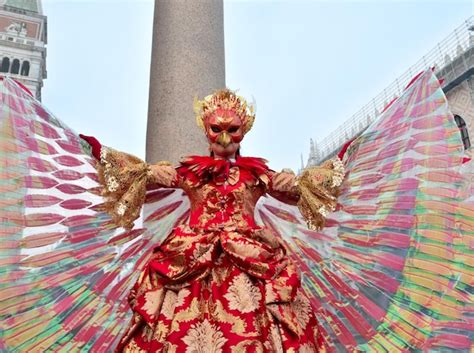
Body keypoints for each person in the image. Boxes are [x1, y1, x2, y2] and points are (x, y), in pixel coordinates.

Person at [0, 70, 471, 352]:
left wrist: (300, 181)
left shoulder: (256, 176)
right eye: (216, 129)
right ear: (205, 128)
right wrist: (135, 169)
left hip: (254, 262)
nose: (224, 139)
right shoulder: (188, 173)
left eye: (232, 130)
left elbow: (314, 191)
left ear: (243, 130)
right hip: (188, 260)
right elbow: (129, 181)